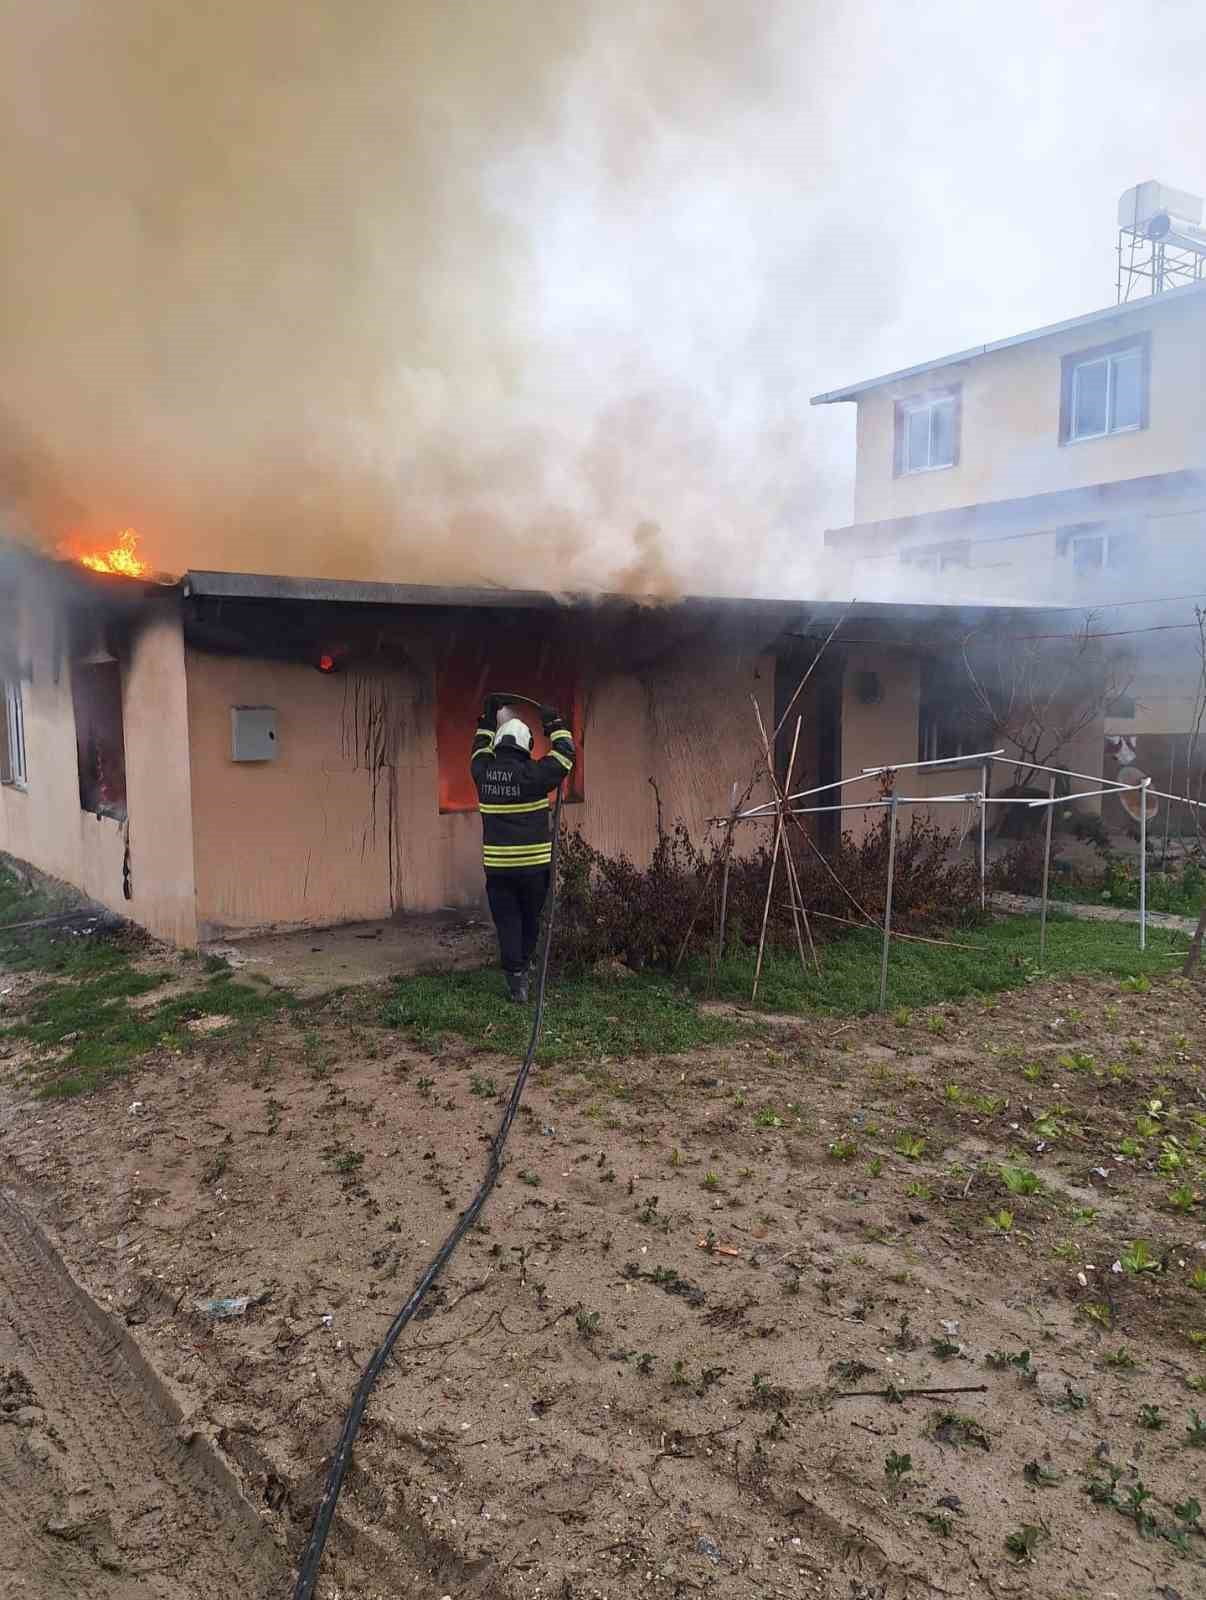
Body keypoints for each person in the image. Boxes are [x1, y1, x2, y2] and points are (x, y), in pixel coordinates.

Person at [471, 695, 575, 1002]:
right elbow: (566, 754)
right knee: (530, 919)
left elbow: (478, 749)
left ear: (500, 744)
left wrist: (488, 719)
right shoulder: (534, 775)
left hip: (499, 869)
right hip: (534, 869)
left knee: (507, 922)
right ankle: (524, 969)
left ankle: (515, 978)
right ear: (526, 745)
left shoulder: (482, 772)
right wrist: (554, 723)